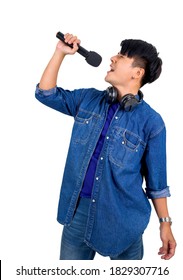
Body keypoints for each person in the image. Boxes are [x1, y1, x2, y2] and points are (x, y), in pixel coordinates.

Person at [35, 33, 176, 260]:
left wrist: (165, 224)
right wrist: (60, 52)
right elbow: (46, 94)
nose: (112, 58)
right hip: (78, 212)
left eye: (120, 57)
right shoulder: (88, 100)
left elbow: (157, 184)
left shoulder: (152, 122)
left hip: (123, 219)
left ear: (137, 73)